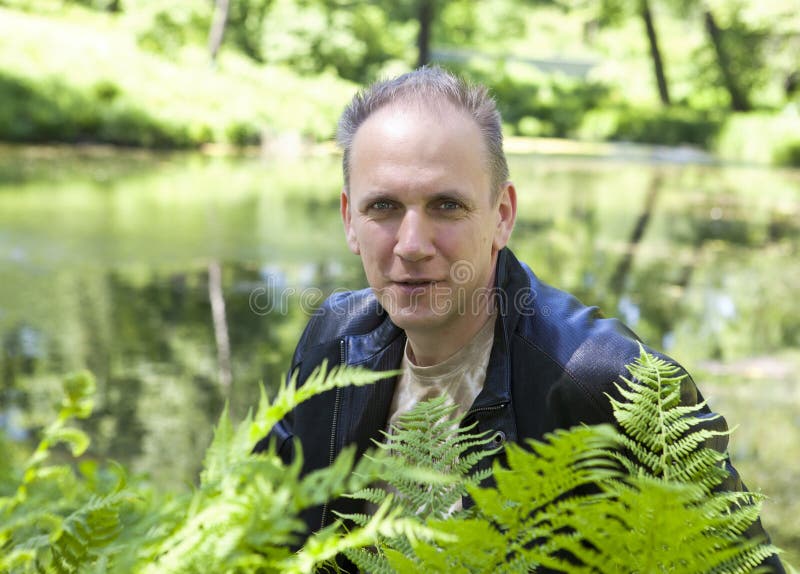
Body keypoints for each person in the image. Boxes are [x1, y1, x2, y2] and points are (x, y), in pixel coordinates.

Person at [254, 66, 783, 572]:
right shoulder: (332, 340)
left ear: (502, 215)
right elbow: (249, 526)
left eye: (446, 206)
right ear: (350, 220)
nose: (411, 245)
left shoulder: (607, 381)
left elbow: (738, 564)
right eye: (384, 207)